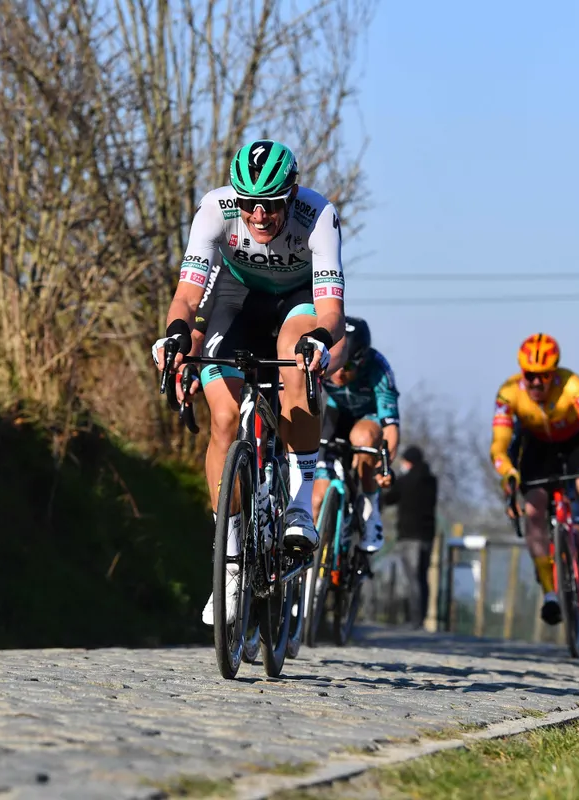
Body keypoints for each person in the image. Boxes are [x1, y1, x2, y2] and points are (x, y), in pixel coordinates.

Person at [151, 139, 347, 625]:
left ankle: (300, 505)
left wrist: (320, 342)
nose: (259, 215)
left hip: (297, 302)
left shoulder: (317, 215)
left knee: (295, 358)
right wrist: (177, 334)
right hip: (235, 301)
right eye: (249, 204)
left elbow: (332, 314)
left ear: (292, 196)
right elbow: (187, 298)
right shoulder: (215, 210)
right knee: (222, 418)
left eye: (271, 205)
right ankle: (231, 561)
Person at [489, 333, 579, 627]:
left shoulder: (572, 385)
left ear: (554, 373)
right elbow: (499, 444)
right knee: (533, 509)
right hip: (536, 447)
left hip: (574, 443)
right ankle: (550, 594)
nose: (535, 383)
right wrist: (508, 472)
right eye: (529, 376)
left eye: (543, 377)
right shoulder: (509, 392)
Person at [310, 316, 400, 553]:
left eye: (348, 366)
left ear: (361, 361)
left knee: (364, 440)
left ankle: (370, 510)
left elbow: (390, 425)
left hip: (367, 417)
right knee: (316, 500)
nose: (339, 374)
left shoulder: (378, 369)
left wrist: (385, 466)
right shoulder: (324, 360)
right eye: (338, 364)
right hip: (336, 414)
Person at [382, 445, 438, 628]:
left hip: (409, 535)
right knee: (422, 577)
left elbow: (389, 498)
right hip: (427, 536)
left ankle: (413, 619)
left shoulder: (405, 481)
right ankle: (421, 617)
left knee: (412, 578)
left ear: (409, 462)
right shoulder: (432, 481)